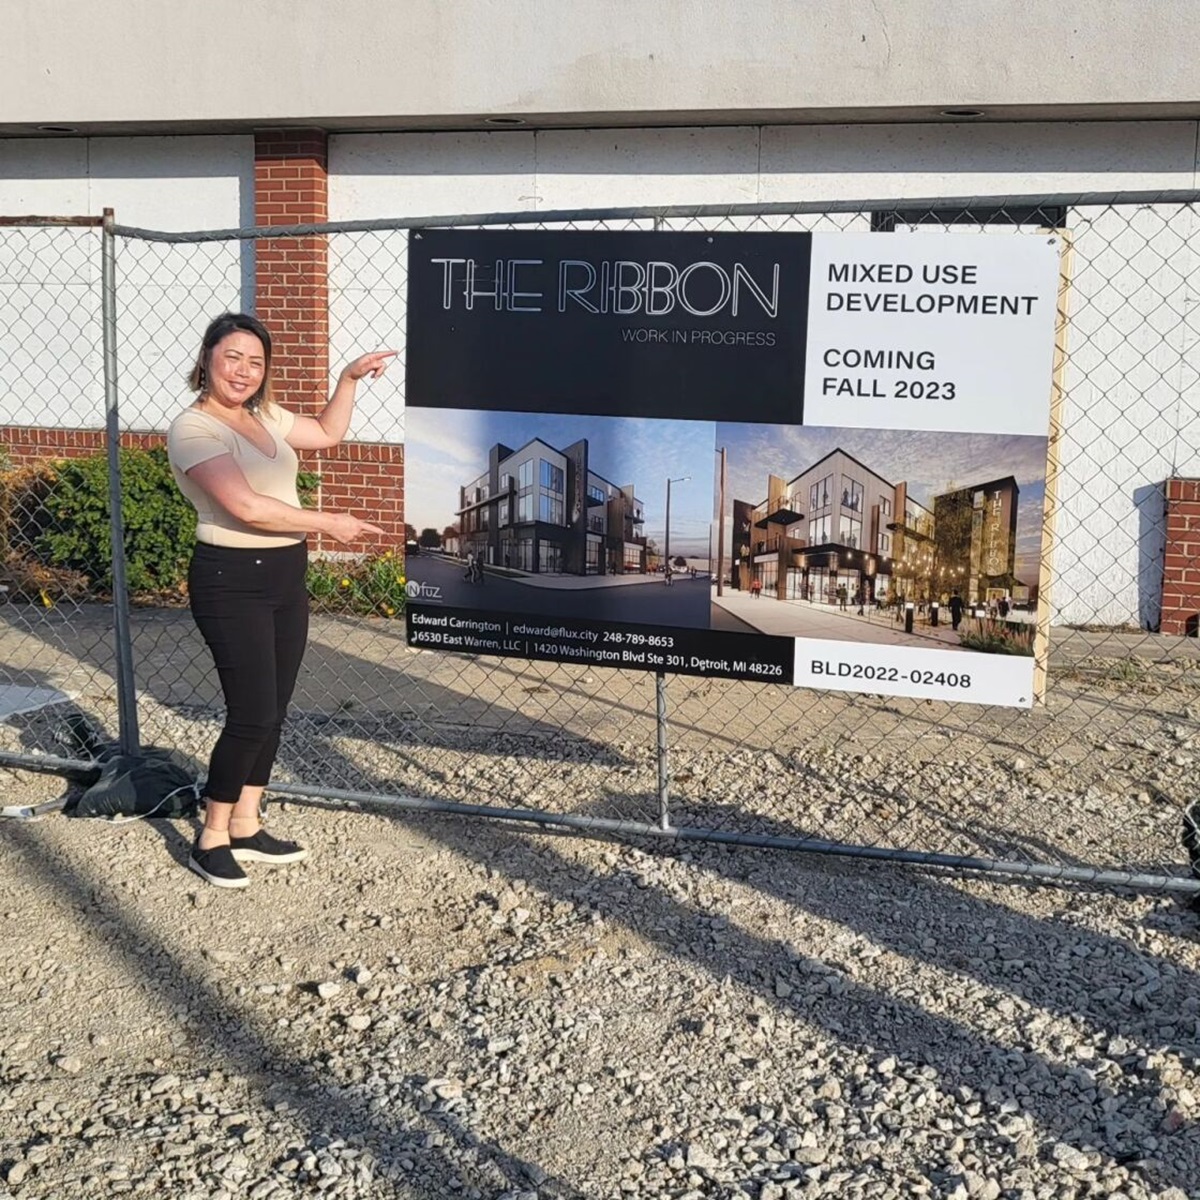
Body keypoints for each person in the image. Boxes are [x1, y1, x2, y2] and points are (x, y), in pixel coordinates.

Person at [167, 312, 393, 889]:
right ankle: (211, 835)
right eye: (233, 357)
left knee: (276, 706)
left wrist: (346, 379)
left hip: (284, 574)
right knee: (252, 713)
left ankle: (247, 820)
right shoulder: (194, 430)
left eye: (256, 362)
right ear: (208, 357)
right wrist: (330, 521)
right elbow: (245, 507)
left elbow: (325, 434)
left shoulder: (261, 415)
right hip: (231, 577)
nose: (243, 371)